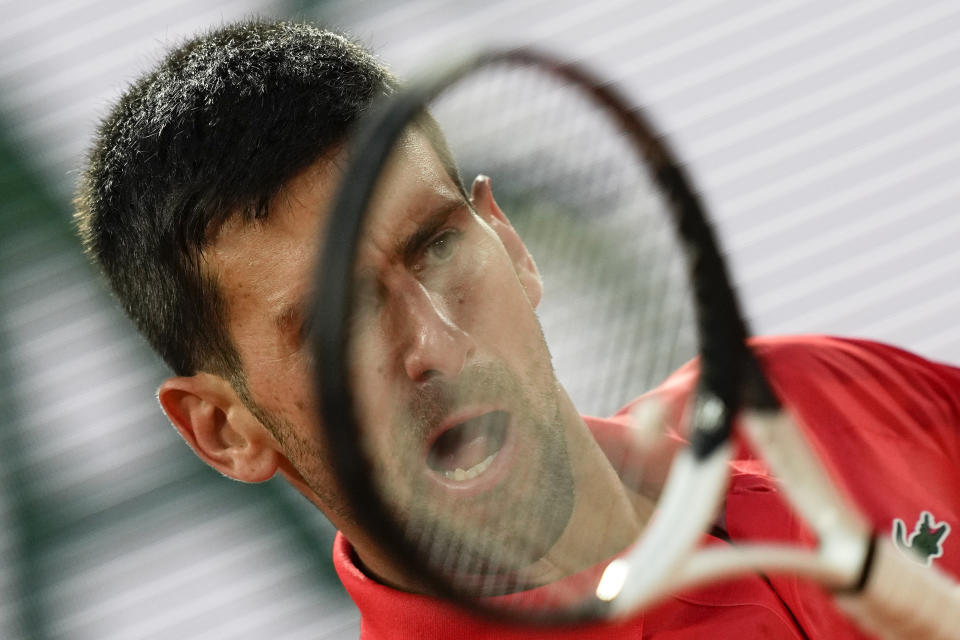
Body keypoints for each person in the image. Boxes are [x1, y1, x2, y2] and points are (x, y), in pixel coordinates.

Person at [75, 19, 960, 639]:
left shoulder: (818, 392)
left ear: (507, 240)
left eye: (434, 248)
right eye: (339, 322)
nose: (435, 346)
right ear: (223, 430)